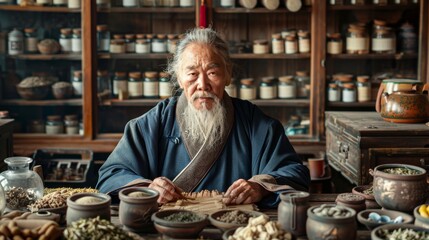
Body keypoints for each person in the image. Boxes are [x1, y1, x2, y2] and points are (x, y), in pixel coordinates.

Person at [96, 27, 310, 208]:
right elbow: (111, 174)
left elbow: (293, 171)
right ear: (179, 78)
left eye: (212, 72)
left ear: (227, 75)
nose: (202, 84)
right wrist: (147, 189)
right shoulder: (153, 123)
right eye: (192, 73)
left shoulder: (256, 124)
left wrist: (260, 187)